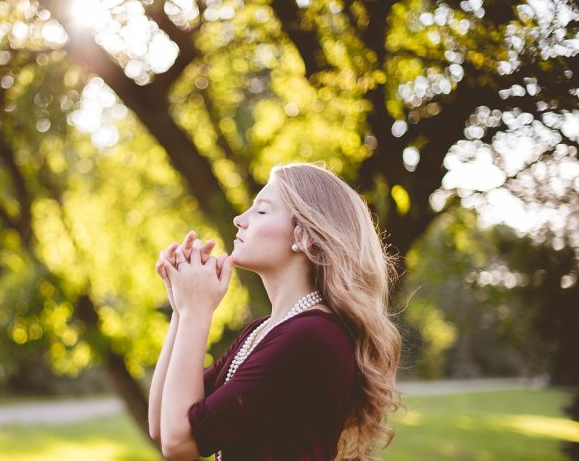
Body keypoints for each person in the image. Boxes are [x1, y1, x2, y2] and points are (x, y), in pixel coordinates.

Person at [148, 163, 402, 461]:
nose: (239, 219)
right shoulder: (264, 330)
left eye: (262, 211)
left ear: (306, 237)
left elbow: (180, 444)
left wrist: (196, 312)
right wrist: (181, 308)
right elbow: (161, 427)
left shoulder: (311, 337)